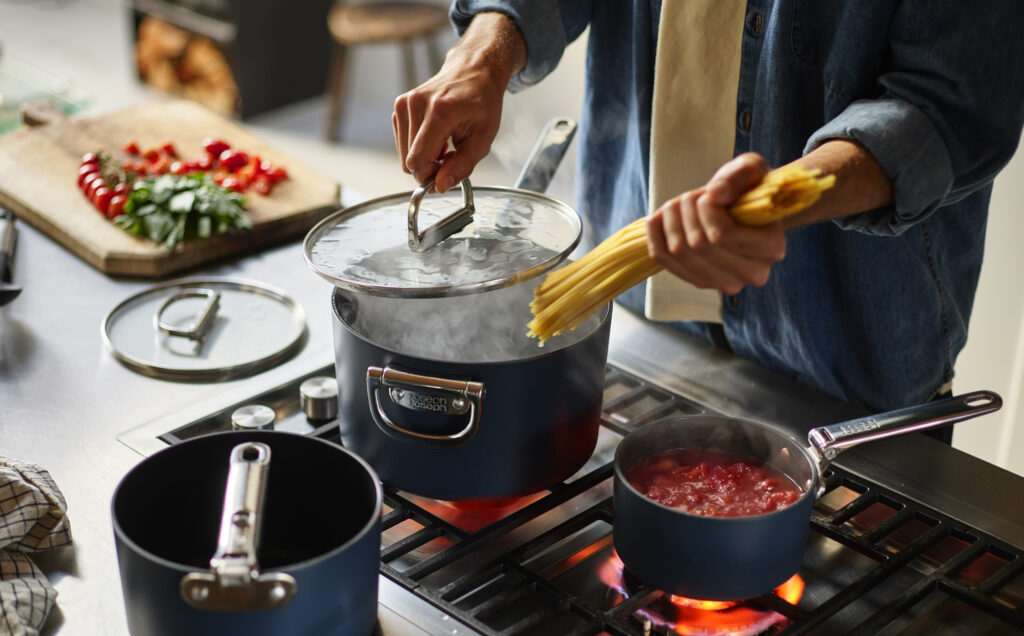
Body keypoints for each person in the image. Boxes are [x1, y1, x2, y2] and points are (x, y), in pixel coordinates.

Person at [392, 2, 1024, 416]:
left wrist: (778, 199)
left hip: (847, 361)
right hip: (635, 325)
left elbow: (950, 104)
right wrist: (483, 52)